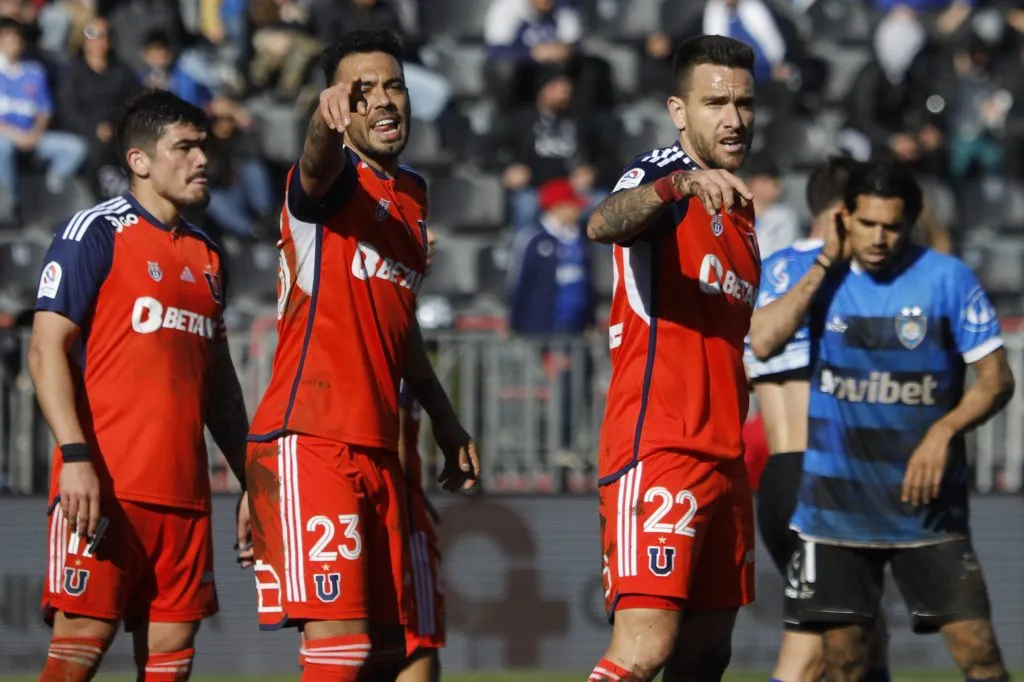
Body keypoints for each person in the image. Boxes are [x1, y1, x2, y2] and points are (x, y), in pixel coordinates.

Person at [245, 29, 479, 682]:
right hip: (313, 436)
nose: (383, 100)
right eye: (361, 91)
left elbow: (399, 326)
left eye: (393, 86)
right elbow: (314, 166)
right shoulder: (330, 185)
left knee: (389, 652)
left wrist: (443, 417)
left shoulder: (412, 194)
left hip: (380, 446)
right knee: (341, 647)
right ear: (339, 106)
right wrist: (322, 125)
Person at [748, 160, 1015, 682]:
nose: (877, 238)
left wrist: (943, 430)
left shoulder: (946, 278)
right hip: (834, 505)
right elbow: (762, 341)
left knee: (976, 648)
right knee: (844, 657)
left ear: (910, 221)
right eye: (866, 224)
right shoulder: (818, 277)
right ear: (844, 218)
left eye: (891, 227)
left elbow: (997, 380)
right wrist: (825, 261)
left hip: (923, 502)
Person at [30, 89, 250, 682]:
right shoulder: (94, 232)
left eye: (203, 147)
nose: (202, 159)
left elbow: (220, 383)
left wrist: (251, 478)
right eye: (185, 147)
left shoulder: (208, 254)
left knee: (169, 669)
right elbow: (45, 350)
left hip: (184, 499)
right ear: (140, 160)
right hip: (104, 489)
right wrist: (75, 457)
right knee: (73, 662)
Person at [586, 35, 759, 682]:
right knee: (644, 648)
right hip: (660, 445)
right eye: (715, 103)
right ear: (678, 111)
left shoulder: (740, 212)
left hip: (725, 456)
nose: (734, 118)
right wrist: (677, 185)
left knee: (706, 655)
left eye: (744, 103)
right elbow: (603, 222)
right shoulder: (662, 175)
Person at [745, 155, 892, 682]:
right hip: (823, 482)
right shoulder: (852, 275)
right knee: (809, 651)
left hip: (782, 478)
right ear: (846, 213)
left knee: (867, 635)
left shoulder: (767, 269)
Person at [397, 226, 445, 682]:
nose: (431, 242)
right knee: (417, 641)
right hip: (392, 505)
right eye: (416, 229)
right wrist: (401, 498)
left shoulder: (398, 312)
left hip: (384, 494)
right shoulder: (384, 315)